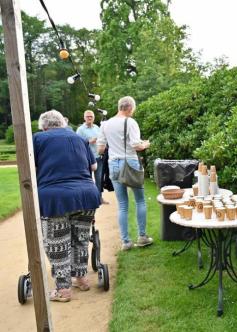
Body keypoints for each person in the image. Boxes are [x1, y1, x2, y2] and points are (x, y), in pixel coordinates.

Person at [33, 110, 101, 302]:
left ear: (44, 126)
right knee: (80, 238)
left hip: (55, 198)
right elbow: (93, 167)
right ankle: (81, 279)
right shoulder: (78, 138)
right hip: (86, 195)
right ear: (63, 123)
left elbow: (32, 167)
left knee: (58, 244)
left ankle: (63, 290)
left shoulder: (38, 139)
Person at [97, 96, 153, 251]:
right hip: (130, 163)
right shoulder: (130, 122)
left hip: (113, 164)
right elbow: (136, 145)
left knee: (122, 205)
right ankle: (142, 237)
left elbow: (100, 149)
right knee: (140, 201)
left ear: (119, 106)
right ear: (130, 108)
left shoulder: (105, 124)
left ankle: (126, 242)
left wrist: (114, 146)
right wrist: (145, 144)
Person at [76, 110, 108, 204]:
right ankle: (89, 200)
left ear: (94, 118)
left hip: (98, 157)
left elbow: (102, 139)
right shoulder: (80, 130)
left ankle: (99, 198)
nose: (89, 118)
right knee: (87, 180)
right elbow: (77, 144)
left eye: (91, 116)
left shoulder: (97, 128)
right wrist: (89, 141)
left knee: (99, 180)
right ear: (84, 118)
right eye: (88, 116)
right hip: (86, 159)